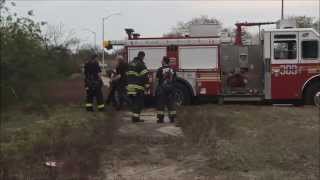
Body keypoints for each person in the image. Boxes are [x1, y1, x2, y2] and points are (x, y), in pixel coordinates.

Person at [126, 51, 149, 123]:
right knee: (138, 103)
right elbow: (145, 76)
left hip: (130, 87)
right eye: (143, 57)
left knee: (134, 103)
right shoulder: (141, 64)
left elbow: (126, 74)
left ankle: (135, 117)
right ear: (142, 56)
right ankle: (135, 118)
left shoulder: (130, 63)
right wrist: (147, 85)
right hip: (138, 87)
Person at [156, 56, 177, 123]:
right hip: (171, 89)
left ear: (164, 61)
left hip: (162, 89)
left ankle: (160, 119)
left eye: (162, 60)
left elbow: (157, 81)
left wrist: (156, 89)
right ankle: (172, 118)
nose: (161, 61)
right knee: (171, 104)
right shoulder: (172, 70)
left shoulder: (160, 70)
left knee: (161, 104)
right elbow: (175, 80)